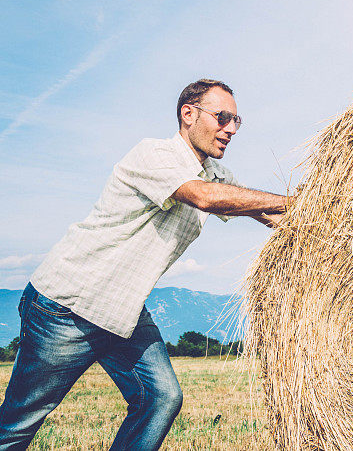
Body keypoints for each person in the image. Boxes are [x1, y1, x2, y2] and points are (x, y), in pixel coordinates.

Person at [0, 79, 291, 450]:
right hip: (69, 305)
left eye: (236, 121)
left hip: (122, 311)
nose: (231, 129)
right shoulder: (153, 155)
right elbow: (204, 198)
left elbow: (265, 212)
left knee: (161, 398)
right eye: (222, 117)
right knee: (18, 423)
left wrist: (334, 223)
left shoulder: (216, 176)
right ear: (188, 114)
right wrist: (292, 199)